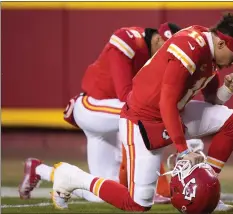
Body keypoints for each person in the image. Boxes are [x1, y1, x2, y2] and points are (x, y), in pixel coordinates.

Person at [49, 12, 233, 212]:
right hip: (143, 120)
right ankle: (71, 177)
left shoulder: (209, 51)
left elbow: (211, 100)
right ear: (221, 42)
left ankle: (205, 186)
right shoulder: (191, 46)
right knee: (136, 204)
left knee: (232, 121)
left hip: (172, 114)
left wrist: (226, 91)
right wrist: (182, 150)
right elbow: (166, 102)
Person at [18, 22, 181, 203]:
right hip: (93, 106)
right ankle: (157, 187)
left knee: (103, 194)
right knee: (145, 114)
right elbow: (125, 94)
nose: (169, 55)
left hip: (110, 119)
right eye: (167, 47)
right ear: (158, 39)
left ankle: (40, 170)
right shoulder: (129, 40)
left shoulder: (159, 59)